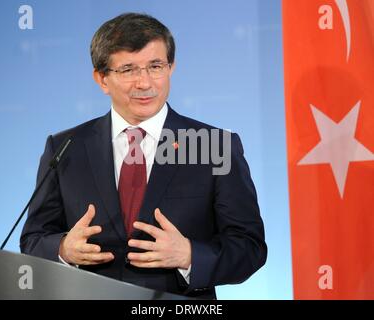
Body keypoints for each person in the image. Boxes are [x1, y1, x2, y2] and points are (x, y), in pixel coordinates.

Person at [20, 12, 267, 299]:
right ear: (101, 79)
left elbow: (249, 248)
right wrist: (63, 249)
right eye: (128, 70)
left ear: (171, 67)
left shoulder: (214, 146)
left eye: (155, 66)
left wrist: (189, 255)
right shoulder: (66, 147)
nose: (145, 83)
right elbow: (33, 239)